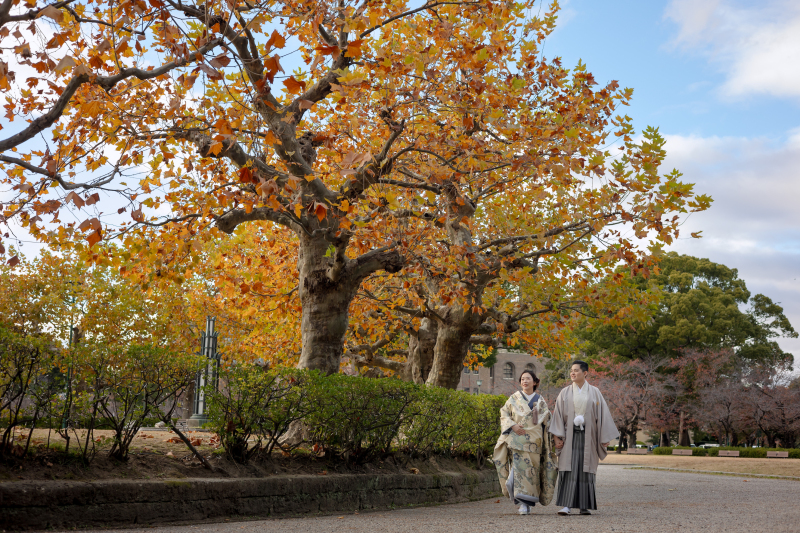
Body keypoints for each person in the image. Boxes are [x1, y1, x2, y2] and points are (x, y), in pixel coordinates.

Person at [549, 360, 619, 516]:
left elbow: (603, 416)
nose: (572, 373)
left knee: (585, 469)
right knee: (568, 468)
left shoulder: (595, 392)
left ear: (585, 373)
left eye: (576, 370)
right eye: (571, 370)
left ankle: (584, 505)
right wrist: (556, 438)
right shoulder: (564, 392)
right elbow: (558, 417)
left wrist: (604, 437)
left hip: (590, 436)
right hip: (569, 436)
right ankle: (566, 505)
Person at [493, 369, 558, 515]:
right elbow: (504, 413)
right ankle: (522, 504)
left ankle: (526, 504)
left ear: (535, 382)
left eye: (528, 379)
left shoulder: (541, 401)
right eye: (522, 379)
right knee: (517, 475)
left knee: (531, 475)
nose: (525, 381)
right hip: (517, 441)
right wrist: (513, 426)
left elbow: (547, 422)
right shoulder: (513, 398)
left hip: (535, 443)